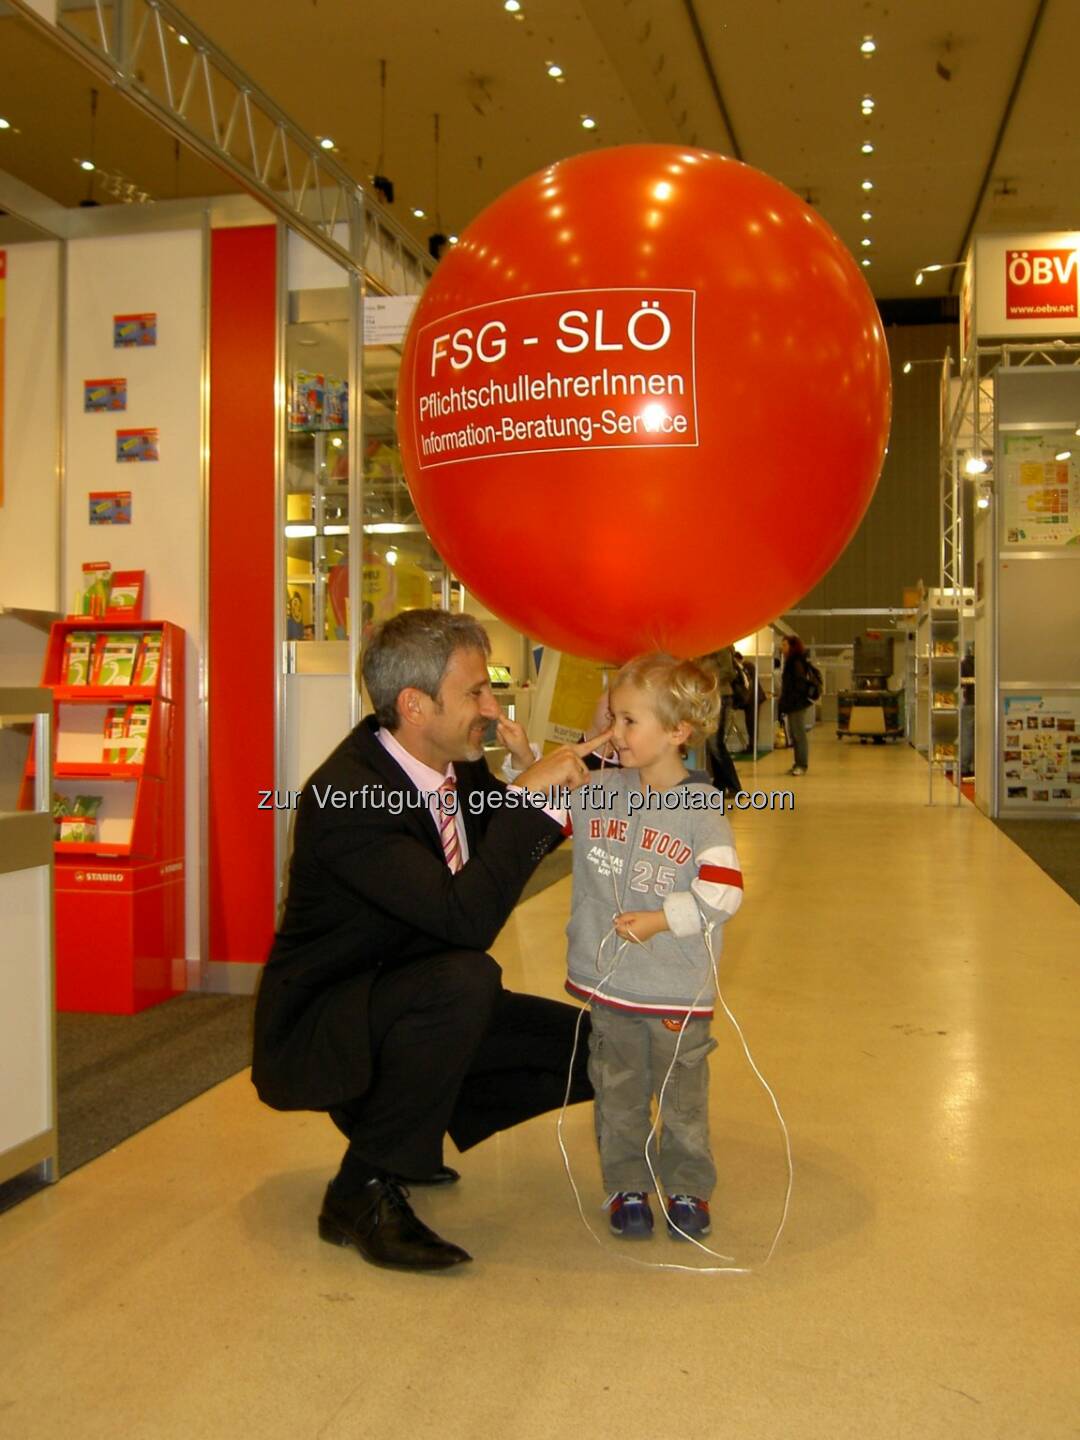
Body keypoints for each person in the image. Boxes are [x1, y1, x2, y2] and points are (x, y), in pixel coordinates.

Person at [252, 609, 606, 1272]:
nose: (492, 706)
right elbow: (467, 918)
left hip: (413, 1000)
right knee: (467, 978)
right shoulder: (350, 798)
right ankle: (360, 1188)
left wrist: (539, 788)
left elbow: (498, 852)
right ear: (414, 705)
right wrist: (527, 800)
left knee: (606, 1052)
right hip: (329, 1024)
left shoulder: (451, 766)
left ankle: (407, 1124)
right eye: (475, 692)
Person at [564, 654, 744, 1240]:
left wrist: (660, 920)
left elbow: (724, 893)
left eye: (628, 721)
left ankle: (688, 1188)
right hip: (613, 988)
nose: (616, 733)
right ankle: (627, 1186)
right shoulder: (604, 791)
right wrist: (527, 756)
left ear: (677, 732)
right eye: (612, 718)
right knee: (618, 1094)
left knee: (681, 1100)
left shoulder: (702, 806)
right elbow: (547, 803)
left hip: (674, 994)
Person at [701, 644, 742, 795]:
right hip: (710, 698)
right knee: (712, 743)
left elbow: (729, 672)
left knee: (715, 743)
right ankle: (720, 783)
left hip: (721, 697)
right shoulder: (703, 651)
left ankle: (734, 785)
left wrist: (709, 679)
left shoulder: (721, 648)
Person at [777, 633, 815, 775]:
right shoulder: (792, 661)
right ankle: (797, 763)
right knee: (794, 733)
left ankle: (802, 765)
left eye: (785, 644)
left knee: (798, 734)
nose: (782, 647)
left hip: (797, 704)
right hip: (794, 703)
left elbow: (799, 684)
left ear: (792, 646)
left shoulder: (796, 662)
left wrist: (791, 699)